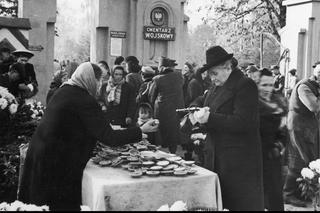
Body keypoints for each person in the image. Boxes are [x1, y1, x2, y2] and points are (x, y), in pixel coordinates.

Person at [18, 62, 159, 211]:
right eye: (99, 80)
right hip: (55, 162)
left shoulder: (64, 90)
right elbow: (109, 137)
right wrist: (140, 130)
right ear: (90, 79)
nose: (100, 85)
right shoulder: (84, 99)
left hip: (41, 154)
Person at [189, 46, 264, 210]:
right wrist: (194, 108)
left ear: (228, 67)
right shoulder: (218, 84)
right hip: (217, 156)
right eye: (209, 75)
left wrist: (210, 118)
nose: (212, 78)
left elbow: (244, 122)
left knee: (237, 204)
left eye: (214, 73)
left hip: (238, 162)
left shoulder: (245, 85)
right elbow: (203, 100)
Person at [283, 62, 320, 207]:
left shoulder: (315, 86)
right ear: (314, 72)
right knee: (298, 159)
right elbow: (314, 106)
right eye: (319, 72)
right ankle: (288, 194)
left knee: (309, 159)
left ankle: (301, 193)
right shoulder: (304, 86)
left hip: (307, 128)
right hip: (298, 127)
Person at [258, 68, 287, 211]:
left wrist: (280, 145)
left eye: (271, 85)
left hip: (274, 156)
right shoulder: (252, 104)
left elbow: (283, 130)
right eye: (264, 85)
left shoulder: (278, 101)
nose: (268, 89)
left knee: (275, 194)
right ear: (256, 85)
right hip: (257, 156)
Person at [149, 56, 184, 154]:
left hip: (162, 111)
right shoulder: (179, 76)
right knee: (173, 132)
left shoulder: (157, 79)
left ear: (161, 67)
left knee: (161, 132)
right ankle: (173, 152)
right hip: (176, 110)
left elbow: (151, 97)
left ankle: (159, 153)